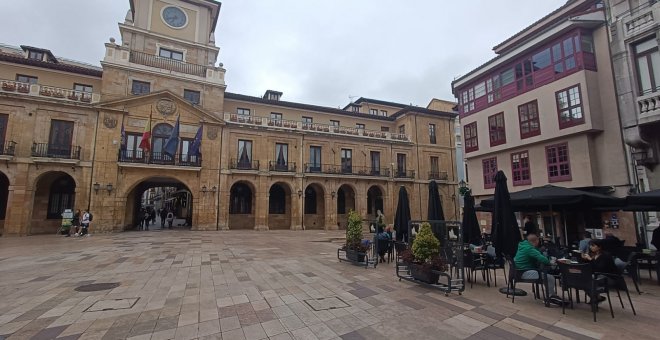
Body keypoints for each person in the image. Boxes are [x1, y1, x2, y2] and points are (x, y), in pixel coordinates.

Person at [514, 234, 563, 305]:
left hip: (519, 271)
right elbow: (543, 259)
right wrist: (550, 261)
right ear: (535, 241)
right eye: (538, 241)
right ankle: (550, 297)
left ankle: (550, 295)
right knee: (550, 277)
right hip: (525, 272)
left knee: (545, 275)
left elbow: (538, 254)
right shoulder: (529, 249)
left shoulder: (523, 246)